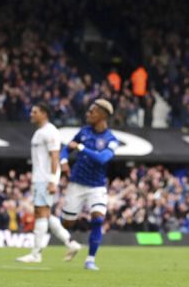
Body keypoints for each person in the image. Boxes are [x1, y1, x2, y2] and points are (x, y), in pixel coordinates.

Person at [16, 103, 81, 263]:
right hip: (39, 179)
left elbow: (54, 157)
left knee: (40, 213)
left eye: (35, 111)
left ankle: (36, 253)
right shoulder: (39, 132)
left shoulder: (51, 132)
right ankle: (70, 243)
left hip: (45, 179)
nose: (31, 114)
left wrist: (52, 181)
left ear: (44, 113)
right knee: (45, 214)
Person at [60, 99, 119, 271]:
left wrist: (80, 147)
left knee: (98, 219)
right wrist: (64, 161)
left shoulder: (111, 139)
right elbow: (66, 148)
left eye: (92, 111)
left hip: (97, 187)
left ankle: (90, 259)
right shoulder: (84, 132)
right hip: (77, 184)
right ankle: (70, 241)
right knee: (67, 223)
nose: (88, 113)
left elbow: (103, 159)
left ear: (102, 115)